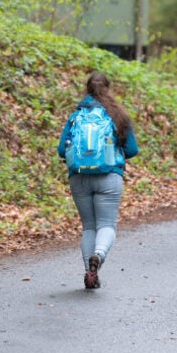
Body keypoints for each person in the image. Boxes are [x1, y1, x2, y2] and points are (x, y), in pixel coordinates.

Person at [57, 72, 139, 289]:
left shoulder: (76, 116)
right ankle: (99, 256)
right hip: (109, 176)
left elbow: (61, 150)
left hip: (79, 178)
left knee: (89, 227)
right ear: (108, 89)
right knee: (106, 225)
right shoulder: (117, 115)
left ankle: (89, 272)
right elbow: (132, 149)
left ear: (87, 89)